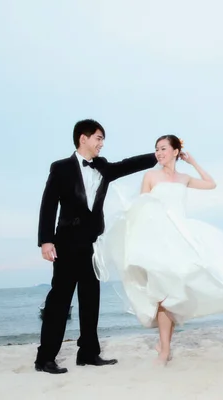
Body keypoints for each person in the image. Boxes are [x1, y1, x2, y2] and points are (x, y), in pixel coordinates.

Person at [93, 134, 223, 366]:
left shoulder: (184, 178)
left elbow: (211, 184)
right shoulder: (150, 176)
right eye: (156, 149)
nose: (159, 153)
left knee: (177, 292)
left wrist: (193, 162)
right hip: (159, 240)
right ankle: (164, 350)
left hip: (183, 236)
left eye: (163, 149)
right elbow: (141, 210)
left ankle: (164, 344)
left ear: (174, 151)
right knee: (163, 293)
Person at [35, 119, 157, 374]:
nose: (101, 144)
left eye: (102, 139)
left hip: (93, 245)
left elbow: (127, 165)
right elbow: (48, 205)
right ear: (83, 138)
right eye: (98, 138)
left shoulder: (102, 167)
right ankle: (45, 358)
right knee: (59, 300)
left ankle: (88, 353)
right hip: (66, 245)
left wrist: (156, 156)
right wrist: (46, 241)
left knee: (91, 300)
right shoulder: (61, 168)